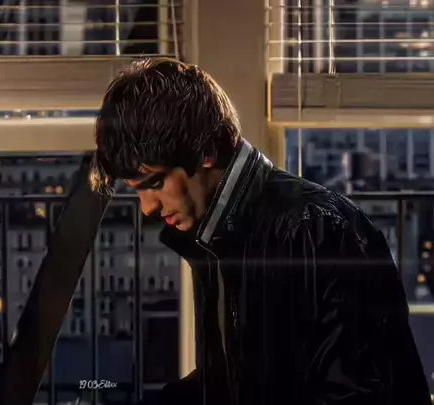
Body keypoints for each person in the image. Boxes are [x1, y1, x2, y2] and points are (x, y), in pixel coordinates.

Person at [91, 58, 431, 405]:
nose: (147, 207)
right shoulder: (218, 236)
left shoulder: (319, 230)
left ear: (206, 151)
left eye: (156, 183)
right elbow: (233, 382)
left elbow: (355, 396)